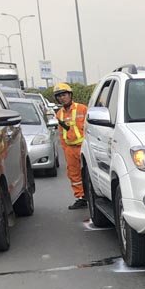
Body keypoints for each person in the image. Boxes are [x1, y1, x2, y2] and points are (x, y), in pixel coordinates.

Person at [53, 82, 88, 210]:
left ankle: (92, 195)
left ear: (70, 94)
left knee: (88, 173)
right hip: (70, 149)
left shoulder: (82, 109)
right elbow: (61, 134)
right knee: (74, 174)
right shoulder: (59, 114)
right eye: (59, 96)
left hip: (84, 147)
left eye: (64, 94)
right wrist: (65, 149)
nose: (62, 98)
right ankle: (81, 197)